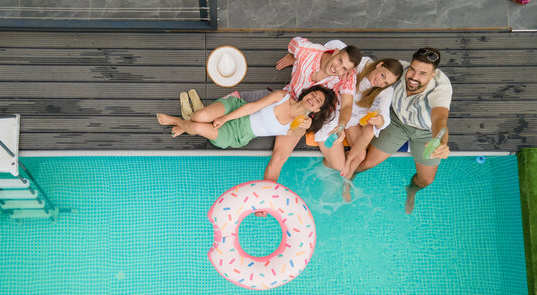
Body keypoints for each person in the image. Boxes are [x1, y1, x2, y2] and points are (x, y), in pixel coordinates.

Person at [355, 48, 452, 214]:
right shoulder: (400, 69)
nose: (414, 77)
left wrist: (441, 142)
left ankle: (412, 190)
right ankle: (347, 178)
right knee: (364, 163)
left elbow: (439, 118)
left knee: (426, 180)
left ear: (433, 74)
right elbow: (366, 65)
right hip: (397, 122)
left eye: (423, 73)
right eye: (413, 70)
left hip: (426, 133)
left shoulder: (441, 88)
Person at [254, 37, 362, 181]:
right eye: (339, 61)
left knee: (338, 165)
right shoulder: (306, 51)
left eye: (344, 68)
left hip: (322, 112)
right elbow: (294, 42)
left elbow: (347, 105)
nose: (337, 68)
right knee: (278, 159)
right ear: (335, 52)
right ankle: (267, 197)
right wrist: (292, 56)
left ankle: (323, 162)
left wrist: (341, 127)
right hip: (296, 107)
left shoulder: (347, 75)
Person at [157, 85, 336, 149]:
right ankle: (187, 123)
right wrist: (226, 118)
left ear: (318, 109)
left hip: (239, 135)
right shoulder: (282, 96)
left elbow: (294, 132)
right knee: (199, 115)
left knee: (195, 126)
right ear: (307, 93)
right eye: (313, 95)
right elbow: (252, 107)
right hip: (238, 109)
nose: (313, 99)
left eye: (318, 101)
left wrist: (304, 127)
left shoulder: (301, 125)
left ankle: (177, 121)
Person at [336, 57, 404, 200]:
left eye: (386, 83)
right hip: (345, 113)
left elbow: (385, 113)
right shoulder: (362, 64)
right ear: (379, 65)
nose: (380, 83)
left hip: (359, 117)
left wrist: (381, 121)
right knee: (360, 156)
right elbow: (340, 49)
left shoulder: (386, 91)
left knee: (373, 126)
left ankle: (347, 167)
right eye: (382, 75)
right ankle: (346, 179)